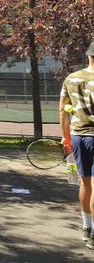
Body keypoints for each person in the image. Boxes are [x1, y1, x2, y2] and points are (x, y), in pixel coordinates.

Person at [60, 39, 94, 249]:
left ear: (89, 55)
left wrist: (65, 137)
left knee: (86, 184)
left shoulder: (71, 79)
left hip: (78, 136)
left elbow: (63, 110)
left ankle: (86, 228)